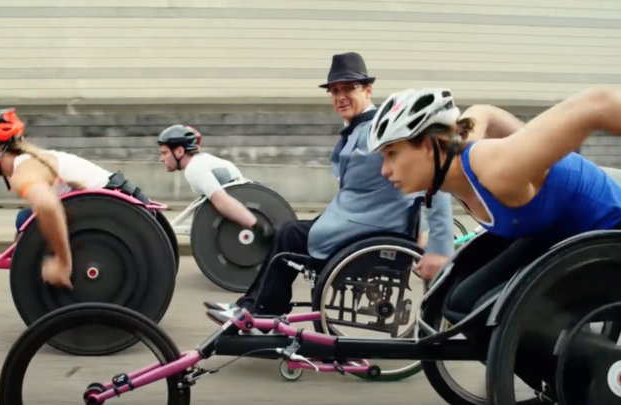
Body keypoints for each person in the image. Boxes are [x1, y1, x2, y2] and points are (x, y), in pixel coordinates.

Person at [365, 87, 621, 403]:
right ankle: (560, 384)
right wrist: (532, 146)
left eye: (392, 154)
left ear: (429, 147)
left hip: (607, 238)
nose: (384, 169)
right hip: (558, 232)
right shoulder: (453, 165)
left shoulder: (496, 167)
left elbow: (600, 103)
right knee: (462, 304)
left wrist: (529, 157)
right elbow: (484, 110)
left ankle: (597, 381)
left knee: (503, 314)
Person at [205, 52, 455, 324]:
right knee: (290, 235)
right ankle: (257, 307)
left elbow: (435, 176)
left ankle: (259, 310)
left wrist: (439, 244)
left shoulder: (382, 130)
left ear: (368, 90)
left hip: (372, 229)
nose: (340, 96)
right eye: (335, 90)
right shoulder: (358, 129)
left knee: (288, 235)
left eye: (348, 88)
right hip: (355, 222)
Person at [0, 108, 146, 289]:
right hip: (123, 206)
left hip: (123, 218)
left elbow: (47, 206)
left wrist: (63, 262)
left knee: (30, 221)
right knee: (25, 221)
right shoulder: (30, 161)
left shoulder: (24, 170)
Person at [157, 124, 275, 237]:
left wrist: (256, 225)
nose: (161, 159)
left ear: (179, 151)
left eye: (164, 153)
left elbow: (221, 200)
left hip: (251, 206)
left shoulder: (194, 168)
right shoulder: (202, 160)